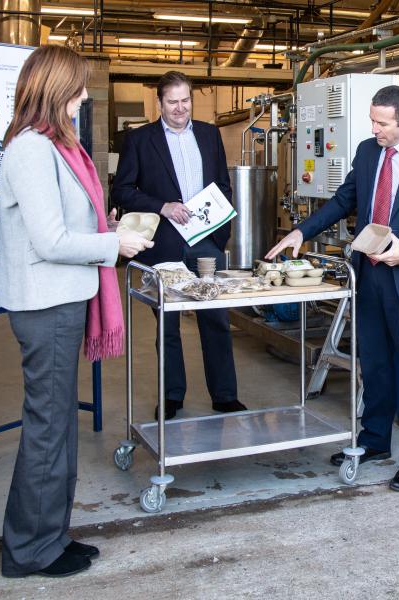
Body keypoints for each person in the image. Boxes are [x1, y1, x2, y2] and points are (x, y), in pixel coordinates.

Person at [0, 45, 151, 578]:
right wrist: (113, 245)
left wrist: (100, 225)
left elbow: (64, 223)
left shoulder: (54, 148)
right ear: (58, 90)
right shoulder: (33, 150)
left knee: (57, 425)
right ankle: (29, 551)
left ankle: (51, 538)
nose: (85, 97)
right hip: (46, 302)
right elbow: (51, 240)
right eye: (80, 87)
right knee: (48, 426)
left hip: (60, 298)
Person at [266, 86, 399, 492]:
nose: (375, 129)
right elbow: (343, 200)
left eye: (382, 123)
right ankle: (374, 441)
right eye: (372, 121)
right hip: (368, 278)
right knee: (374, 365)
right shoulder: (368, 153)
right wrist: (302, 231)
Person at [112, 71, 246, 420]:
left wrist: (219, 235)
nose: (180, 108)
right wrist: (163, 206)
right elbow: (122, 191)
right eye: (172, 102)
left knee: (215, 319)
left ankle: (225, 395)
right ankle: (171, 397)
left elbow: (222, 185)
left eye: (185, 100)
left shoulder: (208, 133)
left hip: (205, 242)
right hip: (164, 244)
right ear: (160, 103)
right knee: (166, 325)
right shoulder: (141, 140)